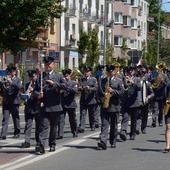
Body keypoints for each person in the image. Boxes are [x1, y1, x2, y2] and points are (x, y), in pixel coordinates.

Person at [35, 56, 67, 154]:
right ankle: (41, 145)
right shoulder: (40, 77)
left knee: (53, 127)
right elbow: (35, 90)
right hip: (44, 106)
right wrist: (38, 95)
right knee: (44, 125)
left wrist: (54, 84)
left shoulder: (58, 76)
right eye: (46, 64)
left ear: (53, 64)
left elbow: (66, 86)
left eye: (49, 64)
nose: (48, 66)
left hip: (55, 105)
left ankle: (52, 144)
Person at [97, 65, 124, 150]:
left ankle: (113, 141)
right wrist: (101, 99)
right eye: (108, 72)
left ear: (114, 72)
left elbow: (122, 93)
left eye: (111, 71)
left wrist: (113, 91)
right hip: (105, 106)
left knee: (114, 125)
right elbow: (99, 92)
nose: (110, 73)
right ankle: (103, 141)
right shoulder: (103, 80)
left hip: (114, 106)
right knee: (104, 125)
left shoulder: (119, 81)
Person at [0, 66, 22, 140]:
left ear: (15, 72)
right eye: (9, 72)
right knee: (5, 118)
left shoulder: (18, 79)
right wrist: (2, 81)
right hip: (6, 102)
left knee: (15, 118)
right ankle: (3, 134)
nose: (10, 73)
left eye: (12, 72)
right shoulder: (5, 79)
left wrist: (11, 82)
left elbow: (19, 87)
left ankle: (17, 132)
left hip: (14, 101)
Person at [119, 66, 141, 141]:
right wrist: (124, 83)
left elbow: (139, 88)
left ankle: (132, 133)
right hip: (125, 102)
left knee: (133, 119)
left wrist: (133, 83)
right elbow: (121, 90)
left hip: (134, 103)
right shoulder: (122, 79)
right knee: (125, 117)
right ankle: (123, 132)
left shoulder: (137, 79)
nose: (129, 73)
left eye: (130, 72)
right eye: (128, 72)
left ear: (133, 72)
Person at [22, 70, 41, 148]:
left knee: (38, 125)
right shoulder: (27, 85)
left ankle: (38, 141)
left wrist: (33, 91)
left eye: (33, 76)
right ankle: (27, 141)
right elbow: (23, 95)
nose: (32, 78)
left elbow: (40, 95)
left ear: (36, 76)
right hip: (29, 107)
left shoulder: (39, 85)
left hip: (37, 107)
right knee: (28, 124)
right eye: (30, 77)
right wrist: (25, 94)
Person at [56, 69, 78, 139]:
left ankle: (74, 131)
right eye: (64, 76)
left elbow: (75, 90)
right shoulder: (61, 83)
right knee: (60, 119)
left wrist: (67, 88)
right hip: (62, 103)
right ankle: (60, 134)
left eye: (66, 76)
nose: (65, 77)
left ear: (69, 76)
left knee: (72, 119)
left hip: (71, 103)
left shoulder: (73, 83)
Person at [77, 66, 98, 133]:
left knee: (91, 114)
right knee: (82, 113)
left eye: (88, 72)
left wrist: (90, 89)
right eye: (85, 71)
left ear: (90, 73)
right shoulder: (81, 79)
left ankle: (92, 125)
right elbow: (79, 88)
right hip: (83, 99)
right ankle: (82, 127)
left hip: (91, 99)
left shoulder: (93, 79)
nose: (86, 73)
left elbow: (96, 88)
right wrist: (79, 88)